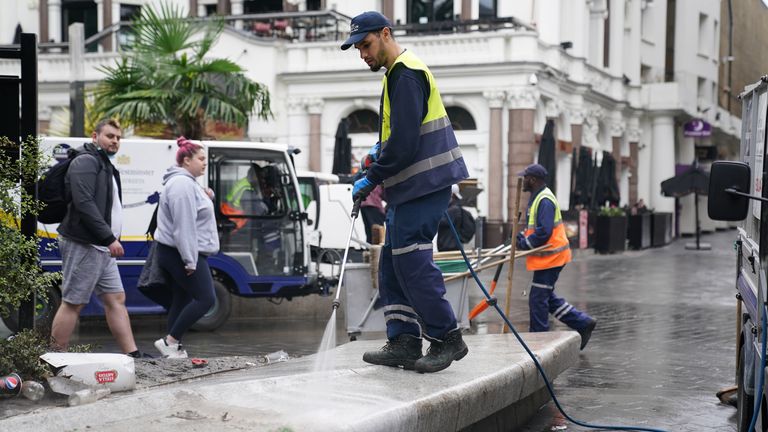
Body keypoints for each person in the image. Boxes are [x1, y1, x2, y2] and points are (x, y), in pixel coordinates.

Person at [342, 11, 470, 373]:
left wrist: (373, 175)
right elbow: (399, 135)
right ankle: (403, 340)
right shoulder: (396, 76)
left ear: (385, 34)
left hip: (423, 186)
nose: (363, 54)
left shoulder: (406, 74)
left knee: (412, 262)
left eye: (365, 45)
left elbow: (406, 143)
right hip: (410, 188)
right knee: (392, 265)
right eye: (357, 49)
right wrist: (378, 152)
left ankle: (448, 338)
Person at [51, 119, 142, 357]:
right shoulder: (86, 161)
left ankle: (132, 355)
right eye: (110, 136)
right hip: (85, 242)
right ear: (95, 136)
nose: (115, 141)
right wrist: (108, 238)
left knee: (116, 298)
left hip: (100, 246)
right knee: (73, 302)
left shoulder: (105, 165)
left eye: (118, 138)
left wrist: (107, 240)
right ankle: (54, 358)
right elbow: (84, 203)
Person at [515, 163, 597, 350]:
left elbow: (543, 232)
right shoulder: (538, 198)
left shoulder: (544, 200)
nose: (523, 181)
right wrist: (521, 238)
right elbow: (534, 229)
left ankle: (539, 340)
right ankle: (582, 323)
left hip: (552, 257)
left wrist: (525, 244)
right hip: (548, 258)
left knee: (537, 298)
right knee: (545, 297)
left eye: (525, 178)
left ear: (533, 180)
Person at [152, 137, 220, 358]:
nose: (204, 163)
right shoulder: (182, 184)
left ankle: (172, 348)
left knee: (182, 298)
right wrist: (189, 260)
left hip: (179, 251)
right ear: (187, 160)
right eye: (201, 159)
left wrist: (207, 195)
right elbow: (184, 226)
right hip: (182, 252)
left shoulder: (188, 183)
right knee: (206, 299)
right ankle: (170, 342)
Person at [437, 184, 476, 252]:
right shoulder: (455, 208)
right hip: (452, 245)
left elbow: (439, 222)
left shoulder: (453, 210)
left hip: (449, 247)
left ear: (451, 195)